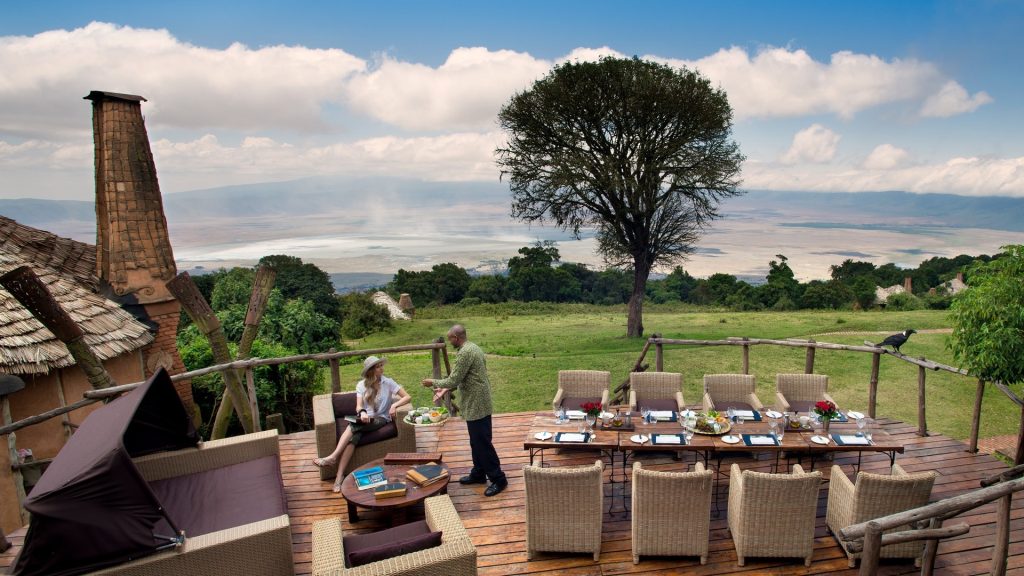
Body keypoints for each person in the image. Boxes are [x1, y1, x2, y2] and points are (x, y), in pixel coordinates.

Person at [422, 324, 507, 496]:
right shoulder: (473, 347)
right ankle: (479, 473)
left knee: (482, 443)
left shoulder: (465, 353)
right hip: (479, 401)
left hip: (476, 404)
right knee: (476, 441)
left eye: (450, 338)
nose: (449, 341)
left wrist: (433, 382)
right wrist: (445, 389)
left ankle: (499, 479)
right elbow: (463, 377)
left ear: (456, 338)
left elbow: (453, 380)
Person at [314, 355, 410, 492]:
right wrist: (363, 413)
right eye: (378, 366)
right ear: (371, 370)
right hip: (365, 419)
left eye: (381, 365)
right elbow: (358, 407)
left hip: (381, 419)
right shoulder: (361, 385)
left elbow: (407, 396)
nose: (381, 368)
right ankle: (339, 477)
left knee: (352, 425)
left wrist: (394, 406)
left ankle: (333, 457)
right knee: (354, 437)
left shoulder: (388, 382)